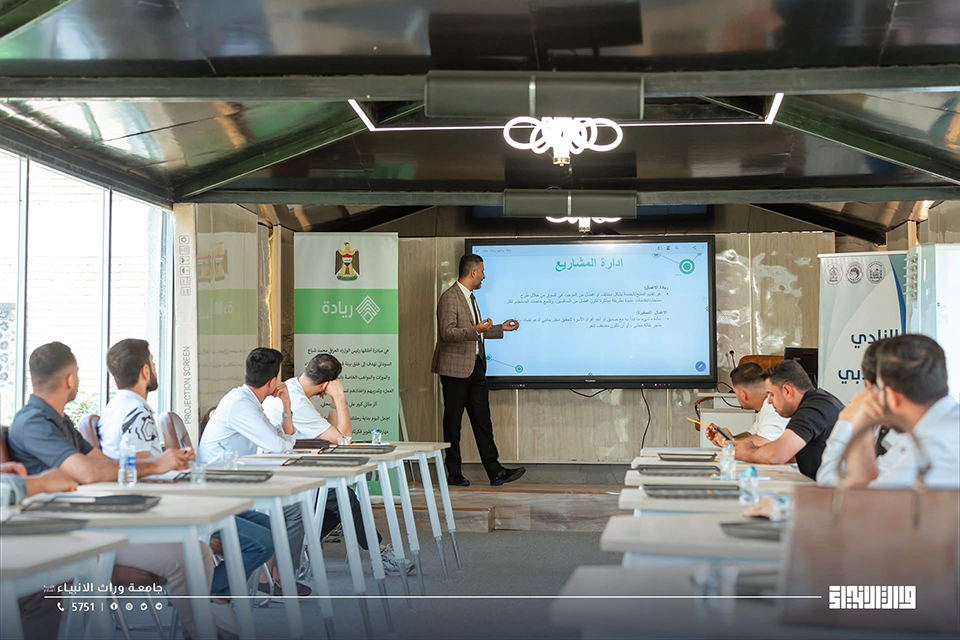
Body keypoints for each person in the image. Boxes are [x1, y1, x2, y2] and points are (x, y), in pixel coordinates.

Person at [5, 342, 224, 640]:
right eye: (78, 374)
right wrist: (155, 466)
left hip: (92, 523)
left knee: (196, 550)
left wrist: (155, 468)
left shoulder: (59, 421)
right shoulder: (34, 423)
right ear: (70, 379)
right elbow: (88, 472)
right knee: (191, 554)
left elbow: (104, 463)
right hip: (72, 536)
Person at [97, 338, 276, 605]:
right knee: (262, 541)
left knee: (265, 524)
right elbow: (140, 473)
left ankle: (213, 589)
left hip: (173, 500)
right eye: (153, 362)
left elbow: (144, 466)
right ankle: (206, 590)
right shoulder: (135, 411)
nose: (155, 367)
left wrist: (176, 465)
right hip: (168, 509)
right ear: (145, 371)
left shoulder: (120, 407)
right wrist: (176, 472)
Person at [263, 353, 413, 574]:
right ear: (326, 384)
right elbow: (343, 439)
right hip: (281, 476)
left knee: (339, 501)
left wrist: (333, 401)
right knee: (344, 498)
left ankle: (304, 545)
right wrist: (340, 397)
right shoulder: (297, 402)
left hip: (290, 469)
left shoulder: (294, 389)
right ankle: (378, 552)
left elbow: (330, 434)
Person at [198, 347, 309, 596]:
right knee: (293, 511)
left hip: (233, 482)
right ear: (272, 382)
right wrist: (284, 424)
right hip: (219, 490)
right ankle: (222, 587)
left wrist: (286, 405)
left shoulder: (248, 401)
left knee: (281, 517)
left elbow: (283, 441)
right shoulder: (241, 404)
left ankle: (259, 580)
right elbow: (279, 445)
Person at [432, 253, 525, 487]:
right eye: (482, 271)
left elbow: (476, 330)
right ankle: (454, 473)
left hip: (476, 368)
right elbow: (447, 333)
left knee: (483, 422)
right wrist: (476, 330)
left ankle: (495, 471)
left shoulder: (471, 297)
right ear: (473, 272)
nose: (484, 276)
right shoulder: (450, 297)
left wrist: (499, 328)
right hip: (455, 371)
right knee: (453, 424)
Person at [833, 334, 959, 488]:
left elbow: (861, 500)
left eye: (879, 389)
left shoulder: (931, 448)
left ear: (891, 396)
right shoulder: (933, 431)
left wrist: (859, 426)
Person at [726, 359, 842, 479]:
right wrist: (755, 449)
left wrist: (746, 453)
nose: (769, 401)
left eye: (771, 394)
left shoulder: (812, 410)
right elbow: (791, 453)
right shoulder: (818, 402)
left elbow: (776, 456)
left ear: (787, 391)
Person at [705, 362, 788, 447]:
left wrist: (729, 442)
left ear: (743, 395)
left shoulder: (772, 406)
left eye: (735, 392)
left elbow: (764, 440)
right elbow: (751, 435)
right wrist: (727, 437)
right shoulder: (765, 406)